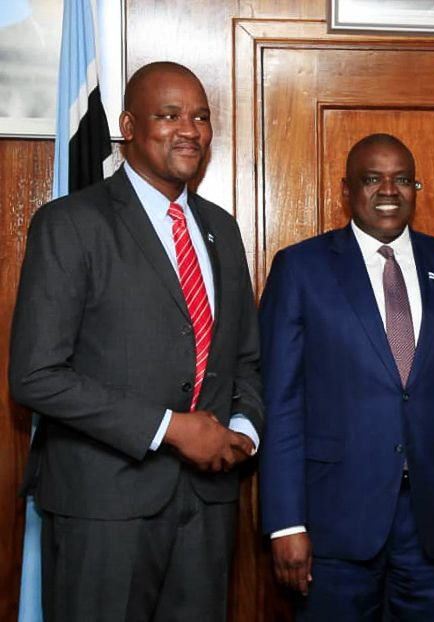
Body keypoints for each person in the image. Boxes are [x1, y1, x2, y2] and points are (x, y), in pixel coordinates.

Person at [9, 61, 263, 621]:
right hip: (104, 509)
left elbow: (246, 358)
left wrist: (242, 430)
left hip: (207, 505)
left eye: (200, 117)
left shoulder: (222, 228)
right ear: (128, 124)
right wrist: (169, 428)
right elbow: (35, 375)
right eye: (169, 115)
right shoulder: (71, 223)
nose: (190, 130)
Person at [258, 133, 434, 621]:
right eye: (372, 179)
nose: (388, 190)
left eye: (401, 179)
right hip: (334, 523)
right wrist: (285, 523)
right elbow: (282, 404)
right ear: (345, 190)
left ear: (417, 188)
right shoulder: (300, 269)